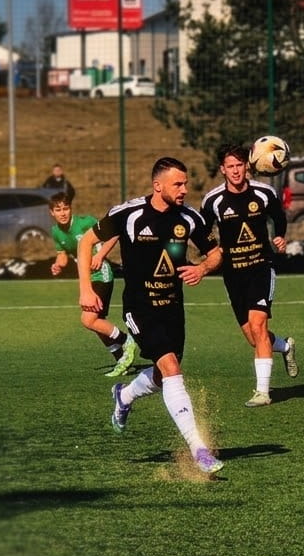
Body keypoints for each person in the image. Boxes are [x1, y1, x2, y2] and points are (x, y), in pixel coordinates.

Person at [78, 157, 226, 474]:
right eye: (178, 184)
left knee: (163, 375)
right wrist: (86, 290)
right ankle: (199, 450)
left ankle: (124, 395)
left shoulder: (189, 217)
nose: (184, 189)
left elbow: (216, 253)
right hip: (140, 307)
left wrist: (202, 268)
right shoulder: (129, 213)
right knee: (171, 367)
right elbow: (87, 242)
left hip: (173, 308)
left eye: (185, 183)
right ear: (158, 185)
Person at [201, 145, 299, 408]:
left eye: (239, 165)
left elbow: (278, 217)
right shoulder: (213, 200)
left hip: (260, 267)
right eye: (230, 166)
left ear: (247, 166)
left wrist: (280, 236)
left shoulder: (264, 193)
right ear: (222, 169)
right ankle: (285, 347)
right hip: (233, 274)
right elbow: (202, 231)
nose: (235, 171)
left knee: (258, 325)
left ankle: (263, 392)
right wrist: (213, 250)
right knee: (253, 338)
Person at [49, 192, 138, 377]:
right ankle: (122, 360)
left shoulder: (85, 222)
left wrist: (100, 255)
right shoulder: (56, 232)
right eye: (58, 210)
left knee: (88, 319)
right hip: (87, 279)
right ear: (52, 212)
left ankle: (127, 340)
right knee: (97, 324)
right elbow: (63, 255)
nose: (63, 213)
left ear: (71, 209)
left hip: (101, 274)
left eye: (66, 208)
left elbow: (114, 233)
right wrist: (58, 265)